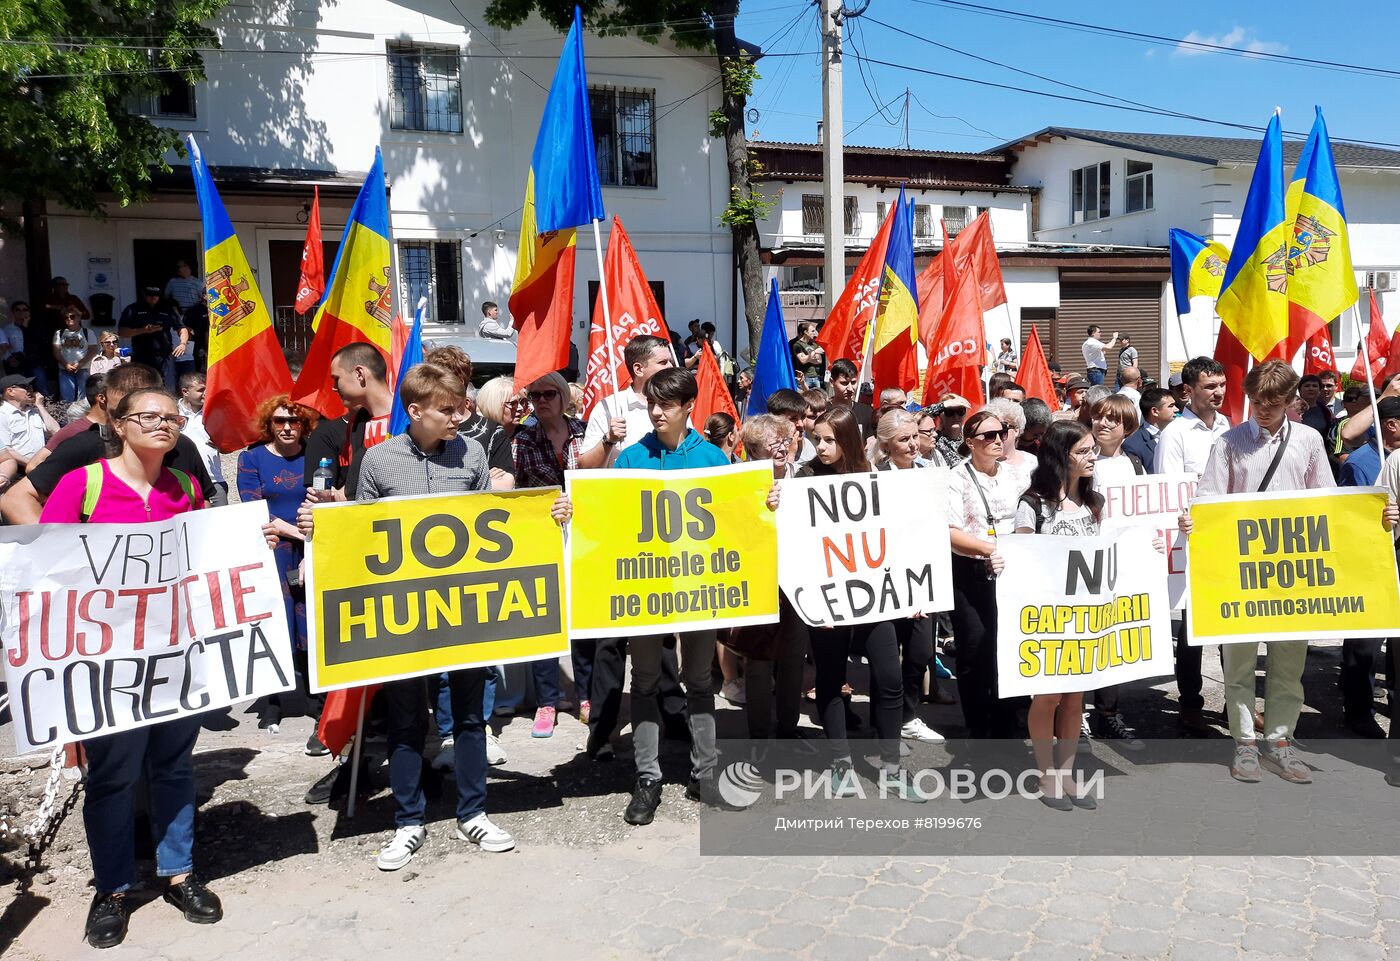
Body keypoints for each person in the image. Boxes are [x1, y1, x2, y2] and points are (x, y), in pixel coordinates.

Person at [300, 363, 527, 868]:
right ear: (416, 410)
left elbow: (496, 522)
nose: (458, 417)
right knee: (406, 719)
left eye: (461, 407)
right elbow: (360, 532)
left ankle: (474, 811)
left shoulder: (472, 454)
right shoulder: (378, 461)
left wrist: (547, 514)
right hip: (402, 615)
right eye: (447, 410)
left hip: (465, 611)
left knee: (470, 716)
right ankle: (408, 822)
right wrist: (320, 524)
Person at [40, 386, 225, 948]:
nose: (164, 425)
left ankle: (179, 873)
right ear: (120, 424)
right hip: (108, 663)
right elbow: (45, 561)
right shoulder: (83, 485)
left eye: (173, 417)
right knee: (114, 776)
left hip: (175, 656)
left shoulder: (185, 487)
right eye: (149, 416)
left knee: (173, 767)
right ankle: (113, 888)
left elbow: (206, 556)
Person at [1181, 361, 1397, 782]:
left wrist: (1378, 518)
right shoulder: (1228, 443)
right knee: (1239, 664)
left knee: (1288, 664)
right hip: (1242, 575)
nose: (1264, 409)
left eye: (1274, 402)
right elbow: (1208, 500)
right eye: (1257, 401)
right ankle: (1244, 743)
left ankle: (1280, 742)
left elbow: (1331, 507)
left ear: (1291, 399)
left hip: (1294, 575)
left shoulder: (1310, 441)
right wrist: (1193, 521)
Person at [610, 368, 773, 823]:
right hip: (644, 589)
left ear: (687, 408)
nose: (656, 412)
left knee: (700, 683)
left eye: (666, 405)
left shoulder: (713, 462)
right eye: (651, 404)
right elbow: (605, 521)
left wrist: (768, 503)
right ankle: (647, 778)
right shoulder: (629, 459)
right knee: (643, 682)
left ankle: (705, 772)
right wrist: (569, 511)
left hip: (699, 589)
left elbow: (740, 519)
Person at [577, 334, 689, 760]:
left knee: (661, 634)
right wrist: (608, 441)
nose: (670, 364)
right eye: (662, 361)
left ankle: (673, 713)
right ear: (639, 369)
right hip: (618, 538)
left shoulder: (675, 407)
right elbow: (583, 468)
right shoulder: (610, 408)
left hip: (664, 537)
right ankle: (602, 728)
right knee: (611, 641)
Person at [1015, 420, 1103, 810]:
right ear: (1059, 455)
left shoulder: (1094, 502)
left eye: (1093, 450)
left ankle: (1066, 774)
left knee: (1074, 698)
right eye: (1083, 451)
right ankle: (1045, 773)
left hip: (1085, 617)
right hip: (1048, 616)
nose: (1092, 458)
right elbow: (1022, 556)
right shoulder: (1032, 503)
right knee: (1048, 695)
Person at [1, 363, 213, 525]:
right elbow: (15, 500)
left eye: (168, 417)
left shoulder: (182, 448)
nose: (160, 424)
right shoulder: (83, 453)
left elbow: (202, 504)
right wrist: (69, 556)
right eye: (146, 415)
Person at [512, 370, 598, 736]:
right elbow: (527, 484)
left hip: (584, 535)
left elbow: (599, 479)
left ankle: (586, 694)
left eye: (549, 393)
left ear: (564, 397)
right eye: (535, 395)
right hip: (540, 536)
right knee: (543, 621)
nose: (542, 400)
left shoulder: (586, 432)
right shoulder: (522, 439)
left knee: (583, 622)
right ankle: (547, 701)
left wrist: (608, 443)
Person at [1155, 356, 1229, 737]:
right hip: (1190, 541)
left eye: (1221, 384)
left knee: (1230, 623)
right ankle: (1190, 704)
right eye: (1209, 386)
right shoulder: (1175, 434)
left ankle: (1236, 703)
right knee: (1191, 630)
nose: (1218, 392)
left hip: (1226, 541)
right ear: (1189, 391)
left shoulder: (1228, 427)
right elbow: (1166, 492)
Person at [796, 407, 867, 795]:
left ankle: (888, 758)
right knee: (830, 674)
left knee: (886, 675)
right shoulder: (804, 477)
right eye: (816, 439)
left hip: (871, 594)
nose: (821, 447)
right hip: (825, 596)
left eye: (830, 439)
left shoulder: (869, 476)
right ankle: (840, 757)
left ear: (848, 440)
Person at [238, 395, 319, 734]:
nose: (287, 427)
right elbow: (251, 506)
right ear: (268, 425)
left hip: (313, 547)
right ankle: (273, 703)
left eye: (294, 421)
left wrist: (307, 536)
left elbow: (325, 500)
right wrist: (288, 530)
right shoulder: (251, 458)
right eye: (280, 421)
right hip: (271, 548)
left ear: (304, 426)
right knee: (274, 623)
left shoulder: (316, 456)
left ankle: (317, 699)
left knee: (311, 624)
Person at [869, 410, 943, 755]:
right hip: (885, 579)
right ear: (886, 445)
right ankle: (883, 721)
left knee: (921, 651)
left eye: (915, 436)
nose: (914, 444)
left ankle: (908, 716)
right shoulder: (873, 477)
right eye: (904, 439)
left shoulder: (932, 474)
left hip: (923, 577)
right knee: (885, 657)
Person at [946, 409, 1022, 738]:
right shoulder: (956, 477)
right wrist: (990, 549)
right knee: (975, 649)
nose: (997, 440)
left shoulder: (1016, 475)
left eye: (1001, 432)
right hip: (971, 571)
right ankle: (977, 724)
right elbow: (949, 531)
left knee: (1007, 647)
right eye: (988, 436)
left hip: (1013, 569)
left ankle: (1007, 720)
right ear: (970, 443)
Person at [737, 414, 810, 748]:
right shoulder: (741, 481)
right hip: (760, 581)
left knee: (794, 658)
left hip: (799, 581)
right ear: (753, 451)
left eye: (785, 440)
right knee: (759, 660)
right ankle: (758, 735)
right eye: (772, 444)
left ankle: (788, 727)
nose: (782, 448)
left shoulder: (806, 476)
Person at [1083, 394, 1147, 751]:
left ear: (1127, 428)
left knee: (1113, 638)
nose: (1103, 424)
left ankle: (1107, 713)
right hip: (1086, 560)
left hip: (1122, 563)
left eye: (1112, 420)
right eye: (1098, 417)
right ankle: (1074, 715)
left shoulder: (1136, 465)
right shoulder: (1081, 461)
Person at [1338, 397, 1400, 738]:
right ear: (1391, 424)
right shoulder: (1362, 462)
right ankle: (1358, 711)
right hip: (1368, 563)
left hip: (1396, 561)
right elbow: (1347, 515)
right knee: (1364, 644)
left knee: (1395, 647)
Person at [118, 286, 187, 387]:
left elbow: (182, 328)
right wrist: (143, 330)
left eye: (156, 295)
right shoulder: (133, 309)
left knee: (162, 385)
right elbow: (122, 332)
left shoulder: (168, 309)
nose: (153, 298)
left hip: (164, 356)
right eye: (150, 295)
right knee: (142, 384)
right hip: (141, 355)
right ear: (144, 295)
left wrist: (183, 344)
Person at [177, 372, 228, 506]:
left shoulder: (216, 412)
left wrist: (223, 446)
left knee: (221, 523)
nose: (206, 393)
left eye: (207, 389)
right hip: (182, 481)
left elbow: (227, 447)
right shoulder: (172, 413)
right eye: (200, 390)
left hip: (214, 480)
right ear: (185, 392)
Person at [0, 374, 59, 490]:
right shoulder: (2, 415)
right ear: (10, 391)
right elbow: (6, 451)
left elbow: (55, 431)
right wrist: (32, 463)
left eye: (30, 386)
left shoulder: (34, 412)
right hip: (18, 472)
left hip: (40, 468)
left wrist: (40, 406)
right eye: (25, 386)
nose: (30, 390)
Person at [1121, 387, 1176, 472]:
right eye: (1170, 406)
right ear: (1154, 411)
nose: (1176, 409)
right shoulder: (1132, 445)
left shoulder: (1179, 434)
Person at [52, 305, 97, 402]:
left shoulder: (87, 332)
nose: (69, 319)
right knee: (67, 398)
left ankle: (82, 417)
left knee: (83, 398)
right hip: (65, 369)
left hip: (84, 368)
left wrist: (80, 364)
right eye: (66, 317)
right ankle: (68, 417)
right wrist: (65, 364)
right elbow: (56, 351)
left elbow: (93, 350)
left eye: (72, 316)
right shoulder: (59, 333)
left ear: (79, 317)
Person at [766, 387, 815, 470]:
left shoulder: (809, 446)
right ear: (775, 420)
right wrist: (791, 455)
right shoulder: (768, 451)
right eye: (793, 419)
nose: (801, 424)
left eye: (803, 417)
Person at [828, 358, 875, 438]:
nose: (850, 388)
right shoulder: (823, 411)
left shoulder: (867, 412)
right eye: (844, 383)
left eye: (853, 382)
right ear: (832, 382)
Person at [928, 394, 970, 467]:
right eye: (950, 412)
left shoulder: (971, 438)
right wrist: (943, 405)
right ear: (941, 415)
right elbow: (918, 417)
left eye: (960, 411)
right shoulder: (934, 440)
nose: (956, 416)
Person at [791, 322, 826, 388]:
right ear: (806, 332)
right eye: (812, 331)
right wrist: (814, 352)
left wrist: (808, 358)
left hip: (815, 377)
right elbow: (803, 361)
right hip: (805, 378)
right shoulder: (797, 345)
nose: (814, 333)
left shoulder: (814, 344)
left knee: (818, 397)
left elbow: (819, 361)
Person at [1297, 374, 1332, 438]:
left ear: (1319, 390)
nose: (1311, 389)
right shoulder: (1291, 409)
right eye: (1307, 386)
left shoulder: (1326, 411)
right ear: (1299, 390)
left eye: (1315, 386)